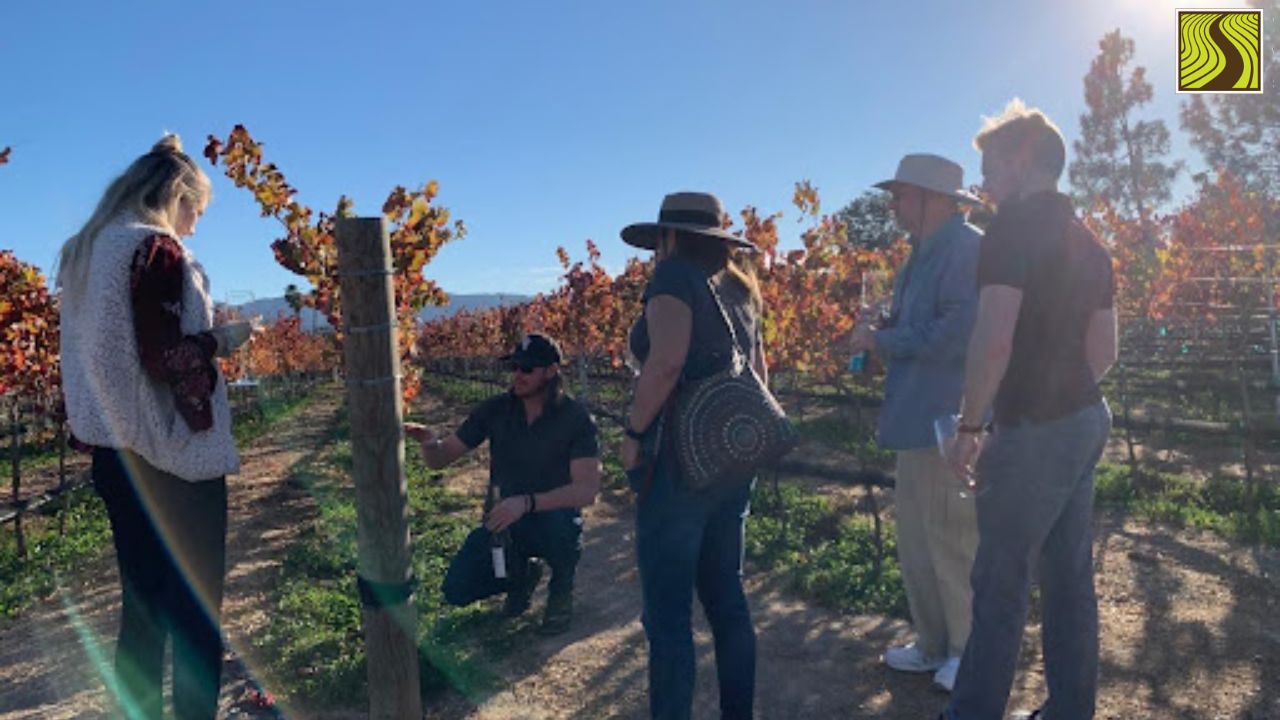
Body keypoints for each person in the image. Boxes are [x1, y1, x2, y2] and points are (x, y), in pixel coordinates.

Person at [57, 134, 254, 720]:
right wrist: (224, 339)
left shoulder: (85, 251)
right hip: (172, 458)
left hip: (114, 454)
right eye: (196, 210)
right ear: (175, 195)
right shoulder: (155, 250)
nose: (194, 226)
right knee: (196, 613)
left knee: (141, 612)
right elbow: (165, 359)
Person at [941, 99, 1117, 720]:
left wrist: (972, 424)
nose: (983, 181)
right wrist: (1064, 398)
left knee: (1000, 582)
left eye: (989, 166)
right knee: (1068, 579)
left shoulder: (1009, 232)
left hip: (1038, 429)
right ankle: (1071, 709)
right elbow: (1106, 349)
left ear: (1021, 162)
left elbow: (994, 338)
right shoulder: (1089, 243)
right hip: (1085, 417)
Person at [620, 191, 767, 720]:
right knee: (727, 601)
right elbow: (758, 377)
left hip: (679, 466)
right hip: (732, 460)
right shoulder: (740, 289)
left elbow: (664, 365)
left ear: (669, 236)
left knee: (667, 618)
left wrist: (634, 432)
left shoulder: (674, 278)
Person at [848, 153, 983, 692]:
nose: (894, 204)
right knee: (918, 542)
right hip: (912, 417)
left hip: (946, 419)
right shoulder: (917, 255)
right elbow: (919, 325)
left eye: (901, 195)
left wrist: (881, 340)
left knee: (952, 539)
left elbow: (955, 333)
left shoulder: (968, 248)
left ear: (932, 199)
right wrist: (881, 326)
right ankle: (931, 644)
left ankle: (966, 651)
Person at [404, 333, 601, 635]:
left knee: (561, 529)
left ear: (551, 372)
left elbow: (587, 491)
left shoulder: (575, 419)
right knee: (457, 589)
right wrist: (430, 443)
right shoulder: (496, 409)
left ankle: (561, 592)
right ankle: (521, 576)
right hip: (503, 523)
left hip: (551, 517)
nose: (518, 376)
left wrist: (526, 503)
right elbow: (442, 459)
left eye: (527, 369)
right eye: (515, 367)